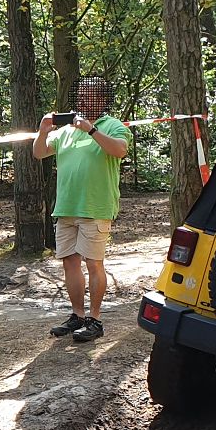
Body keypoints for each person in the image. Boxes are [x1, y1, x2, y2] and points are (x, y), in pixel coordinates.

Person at [33, 77, 130, 345]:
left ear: (102, 98)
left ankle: (95, 320)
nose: (84, 100)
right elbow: (39, 153)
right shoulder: (65, 131)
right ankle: (77, 315)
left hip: (95, 208)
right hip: (66, 207)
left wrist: (92, 130)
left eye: (90, 95)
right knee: (70, 262)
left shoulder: (113, 126)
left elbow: (120, 150)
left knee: (93, 263)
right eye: (81, 95)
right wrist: (43, 130)